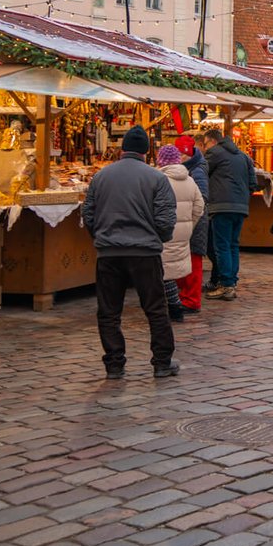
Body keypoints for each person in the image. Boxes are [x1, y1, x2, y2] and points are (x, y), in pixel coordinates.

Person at [82, 126, 178, 379]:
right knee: (155, 309)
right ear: (146, 152)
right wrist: (158, 239)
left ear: (123, 149)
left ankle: (114, 364)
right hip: (144, 252)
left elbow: (88, 214)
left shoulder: (101, 176)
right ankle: (162, 361)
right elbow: (166, 219)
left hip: (109, 252)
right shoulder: (157, 178)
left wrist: (101, 238)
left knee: (109, 311)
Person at [199, 127, 258, 302]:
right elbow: (253, 183)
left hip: (221, 206)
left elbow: (202, 173)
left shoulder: (214, 153)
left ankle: (226, 285)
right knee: (232, 245)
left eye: (205, 144)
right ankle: (231, 282)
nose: (205, 148)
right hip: (240, 207)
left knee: (222, 246)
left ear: (212, 141)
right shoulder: (243, 156)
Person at [156, 145, 204, 319]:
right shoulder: (189, 180)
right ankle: (175, 303)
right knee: (173, 265)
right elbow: (200, 206)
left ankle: (171, 305)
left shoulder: (157, 179)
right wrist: (189, 225)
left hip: (162, 230)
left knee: (162, 267)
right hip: (183, 232)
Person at [175, 135, 209, 313]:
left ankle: (191, 299)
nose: (179, 159)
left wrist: (190, 216)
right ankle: (185, 296)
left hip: (195, 223)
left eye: (182, 155)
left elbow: (202, 198)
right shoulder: (192, 167)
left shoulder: (197, 170)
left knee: (193, 261)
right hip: (187, 221)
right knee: (185, 260)